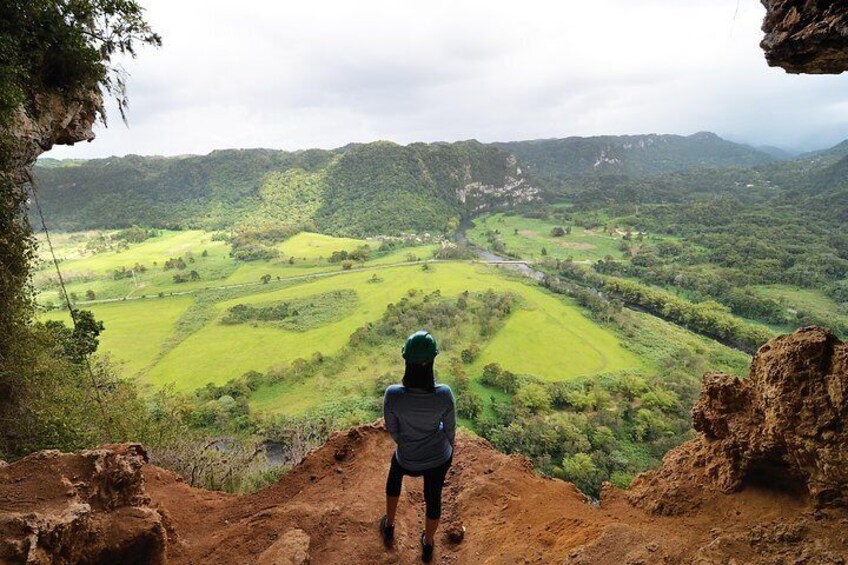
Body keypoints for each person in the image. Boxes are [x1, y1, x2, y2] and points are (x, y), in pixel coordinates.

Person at [380, 330, 456, 563]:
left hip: (407, 458)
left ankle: (389, 524)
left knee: (394, 477)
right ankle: (428, 543)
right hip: (438, 458)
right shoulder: (444, 394)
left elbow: (392, 429)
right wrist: (447, 448)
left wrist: (407, 444)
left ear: (406, 361)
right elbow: (451, 430)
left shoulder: (393, 395)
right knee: (434, 498)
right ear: (433, 361)